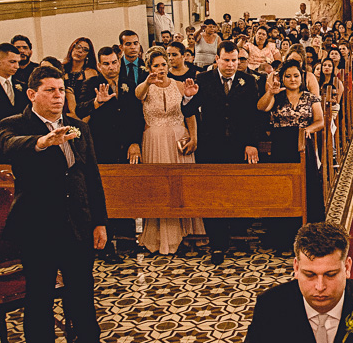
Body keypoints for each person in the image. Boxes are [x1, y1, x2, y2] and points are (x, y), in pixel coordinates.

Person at [0, 66, 122, 343]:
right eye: (50, 90)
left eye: (60, 89)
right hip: (38, 227)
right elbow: (11, 146)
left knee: (81, 290)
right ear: (32, 94)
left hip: (78, 222)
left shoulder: (78, 126)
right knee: (39, 299)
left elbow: (90, 177)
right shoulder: (14, 125)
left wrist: (100, 222)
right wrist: (42, 142)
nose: (57, 96)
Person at [183, 41, 261, 264]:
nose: (231, 64)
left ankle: (239, 236)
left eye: (235, 60)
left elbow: (253, 116)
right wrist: (188, 97)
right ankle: (217, 243)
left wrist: (251, 143)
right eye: (226, 60)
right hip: (211, 146)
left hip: (239, 145)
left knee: (238, 190)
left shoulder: (248, 81)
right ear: (217, 59)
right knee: (213, 194)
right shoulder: (203, 80)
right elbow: (188, 110)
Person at [77, 45, 143, 258]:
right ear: (99, 65)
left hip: (125, 148)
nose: (111, 67)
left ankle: (128, 242)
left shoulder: (127, 83)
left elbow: (136, 116)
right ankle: (106, 246)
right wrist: (96, 102)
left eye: (114, 62)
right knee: (104, 196)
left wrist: (135, 142)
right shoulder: (91, 84)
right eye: (106, 64)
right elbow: (80, 109)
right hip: (101, 148)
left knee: (127, 193)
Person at [258, 59, 326, 251]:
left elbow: (320, 121)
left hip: (303, 143)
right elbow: (261, 107)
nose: (292, 79)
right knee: (284, 188)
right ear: (282, 78)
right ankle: (282, 236)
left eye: (296, 75)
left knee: (307, 186)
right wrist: (270, 92)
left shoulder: (310, 97)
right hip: (281, 145)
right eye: (288, 76)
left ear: (302, 77)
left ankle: (310, 235)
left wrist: (307, 130)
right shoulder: (277, 97)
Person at [136, 46, 199, 254]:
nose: (161, 68)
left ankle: (187, 234)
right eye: (156, 65)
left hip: (177, 137)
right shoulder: (144, 87)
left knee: (182, 185)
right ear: (148, 67)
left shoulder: (179, 85)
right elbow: (138, 95)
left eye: (163, 64)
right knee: (159, 186)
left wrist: (193, 136)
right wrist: (148, 81)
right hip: (154, 140)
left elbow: (189, 114)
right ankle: (160, 236)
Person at [63, 37, 99, 118]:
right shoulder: (62, 69)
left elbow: (90, 100)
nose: (80, 51)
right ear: (72, 48)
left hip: (85, 115)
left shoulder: (91, 72)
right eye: (78, 47)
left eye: (85, 50)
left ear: (88, 55)